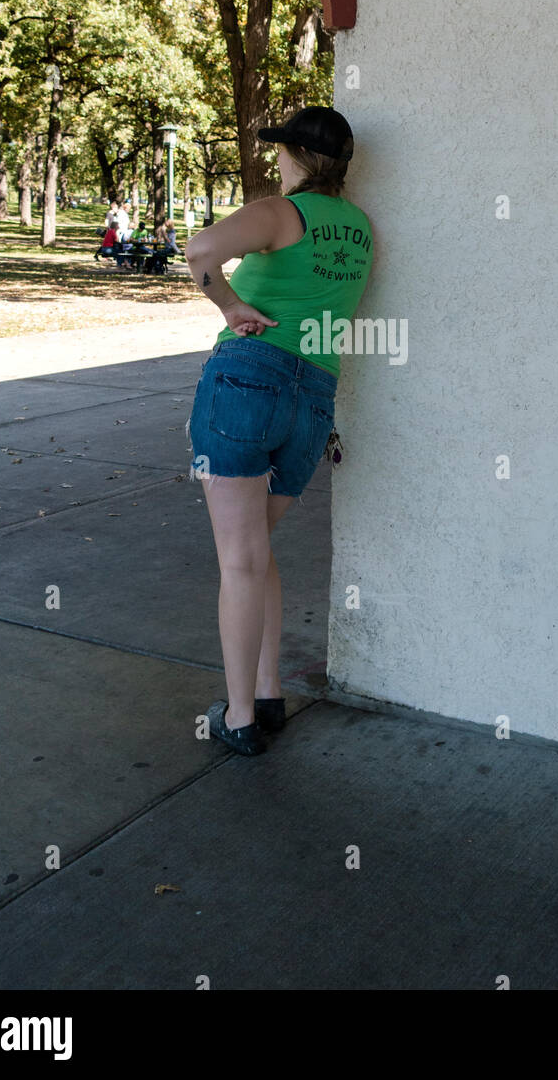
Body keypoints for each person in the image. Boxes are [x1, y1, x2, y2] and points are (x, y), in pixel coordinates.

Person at [184, 107, 374, 757]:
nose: (278, 163)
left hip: (247, 383)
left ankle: (237, 718)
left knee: (238, 559)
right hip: (313, 398)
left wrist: (231, 306)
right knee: (256, 549)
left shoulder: (282, 213)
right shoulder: (361, 229)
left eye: (283, 152)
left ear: (295, 156)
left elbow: (201, 250)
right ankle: (267, 695)